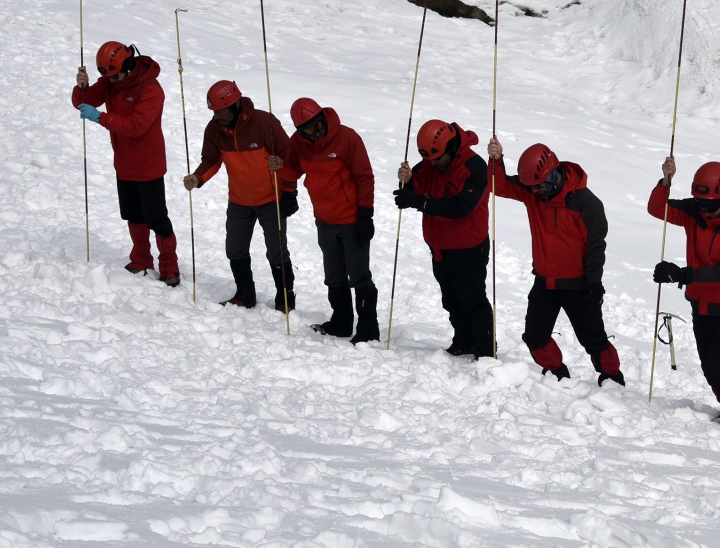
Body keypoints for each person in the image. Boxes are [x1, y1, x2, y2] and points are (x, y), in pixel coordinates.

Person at [486, 135, 621, 384]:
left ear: (553, 174)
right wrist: (496, 160)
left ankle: (612, 376)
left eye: (540, 185)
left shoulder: (586, 203)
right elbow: (500, 185)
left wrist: (594, 286)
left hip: (578, 285)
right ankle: (557, 373)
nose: (536, 191)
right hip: (544, 282)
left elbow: (595, 248)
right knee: (535, 336)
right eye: (533, 187)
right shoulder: (533, 193)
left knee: (593, 338)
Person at [649, 157, 720, 425]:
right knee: (711, 368)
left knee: (715, 367)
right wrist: (666, 181)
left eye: (711, 206)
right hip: (700, 302)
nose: (705, 212)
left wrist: (682, 274)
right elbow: (657, 208)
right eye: (700, 204)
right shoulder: (694, 211)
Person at [268, 98, 377, 343]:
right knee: (334, 274)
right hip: (324, 219)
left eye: (318, 125)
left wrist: (365, 215)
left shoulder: (348, 138)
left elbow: (364, 177)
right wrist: (281, 166)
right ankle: (341, 323)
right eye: (309, 130)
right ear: (299, 131)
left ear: (323, 117)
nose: (317, 132)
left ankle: (369, 330)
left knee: (358, 274)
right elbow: (293, 171)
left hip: (352, 220)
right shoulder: (299, 143)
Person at [73, 40, 179, 286]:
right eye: (107, 76)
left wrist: (99, 117)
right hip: (124, 162)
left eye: (114, 75)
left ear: (128, 66)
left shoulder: (151, 89)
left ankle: (170, 267)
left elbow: (136, 126)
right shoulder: (112, 81)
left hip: (149, 165)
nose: (111, 80)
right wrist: (82, 88)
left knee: (157, 218)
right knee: (133, 214)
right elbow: (84, 101)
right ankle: (141, 259)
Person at [184, 79, 297, 310]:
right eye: (213, 111)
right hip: (239, 202)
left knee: (277, 252)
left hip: (270, 201)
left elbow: (290, 157)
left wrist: (289, 192)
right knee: (234, 249)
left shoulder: (264, 122)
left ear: (234, 105)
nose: (216, 116)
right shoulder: (214, 129)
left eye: (219, 111)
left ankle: (285, 298)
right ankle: (245, 295)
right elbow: (212, 159)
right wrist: (198, 177)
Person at [395, 120, 493, 358]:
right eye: (429, 160)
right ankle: (463, 340)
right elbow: (415, 186)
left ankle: (486, 349)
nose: (433, 164)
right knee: (451, 300)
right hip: (439, 247)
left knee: (473, 301)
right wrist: (407, 182)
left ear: (450, 148)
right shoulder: (432, 162)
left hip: (468, 247)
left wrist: (418, 201)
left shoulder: (475, 167)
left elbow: (461, 208)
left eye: (437, 159)